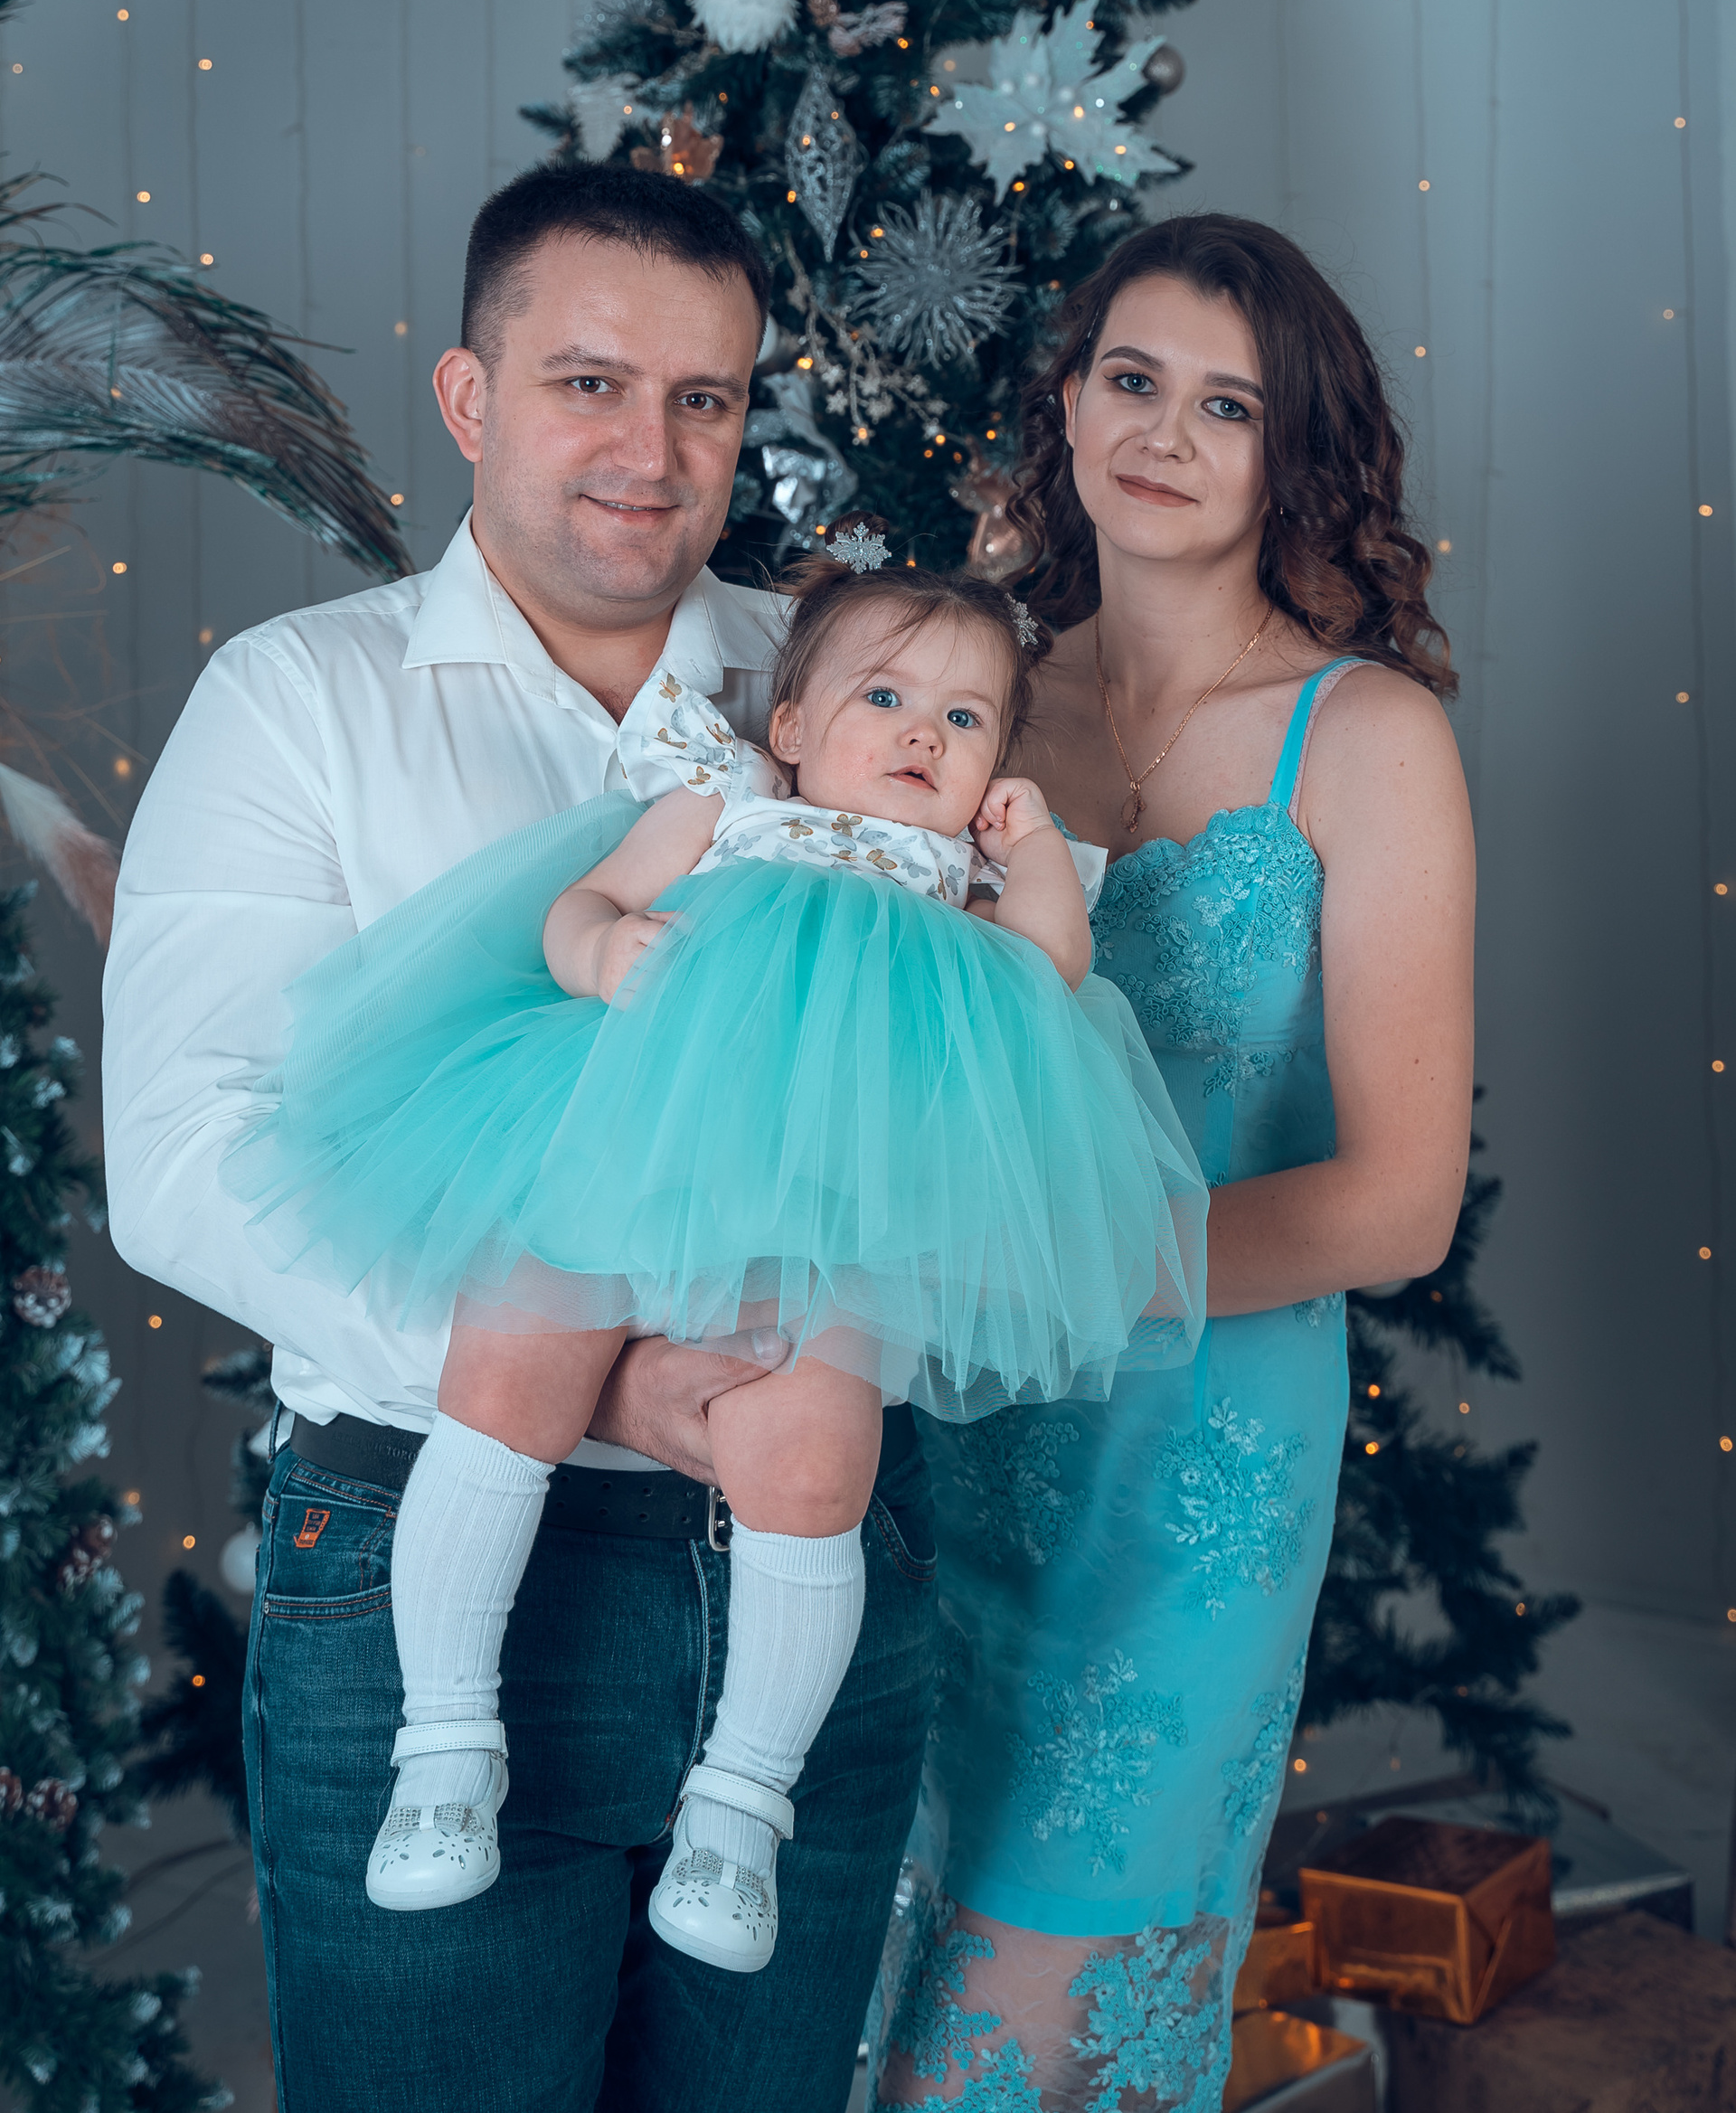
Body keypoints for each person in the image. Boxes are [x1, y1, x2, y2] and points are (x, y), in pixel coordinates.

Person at [103, 163, 936, 2113]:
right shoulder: (300, 701)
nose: (653, 451)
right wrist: (583, 1379)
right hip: (425, 1552)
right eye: (589, 384)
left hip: (810, 1549)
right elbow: (187, 1158)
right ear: (470, 397)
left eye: (706, 399)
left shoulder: (854, 688)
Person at [224, 552, 1207, 1962]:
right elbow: (578, 905)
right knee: (505, 1375)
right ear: (790, 725)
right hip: (625, 1149)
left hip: (834, 1219)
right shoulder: (729, 800)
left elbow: (1053, 968)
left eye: (967, 719)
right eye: (885, 698)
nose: (924, 735)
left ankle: (740, 1808)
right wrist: (601, 953)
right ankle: (443, 1744)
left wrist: (1034, 842)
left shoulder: (965, 883)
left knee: (814, 1465)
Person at [872, 214, 1476, 2111]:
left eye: (1230, 406)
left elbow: (1399, 1202)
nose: (1163, 434)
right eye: (1133, 380)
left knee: (1009, 2054)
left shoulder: (1365, 740)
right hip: (923, 1432)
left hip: (1192, 1475)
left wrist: (1060, 1265)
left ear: (1294, 455)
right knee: (863, 1984)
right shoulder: (957, 698)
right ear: (1066, 405)